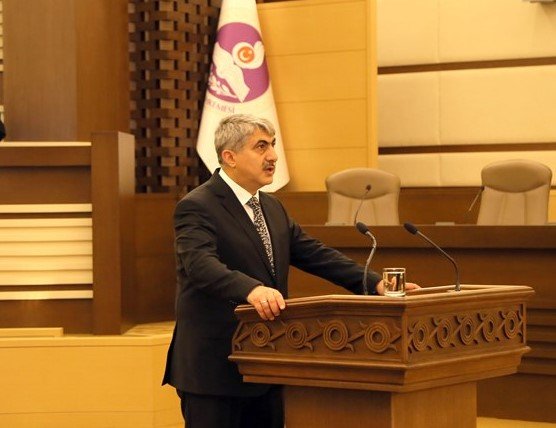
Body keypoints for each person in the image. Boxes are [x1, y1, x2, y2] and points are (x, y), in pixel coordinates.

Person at [162, 114, 419, 428]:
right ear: (230, 157)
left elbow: (314, 254)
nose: (273, 156)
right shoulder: (197, 205)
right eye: (261, 147)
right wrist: (251, 289)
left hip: (266, 360)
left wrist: (375, 283)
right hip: (214, 368)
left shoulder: (271, 207)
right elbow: (200, 265)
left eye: (272, 145)